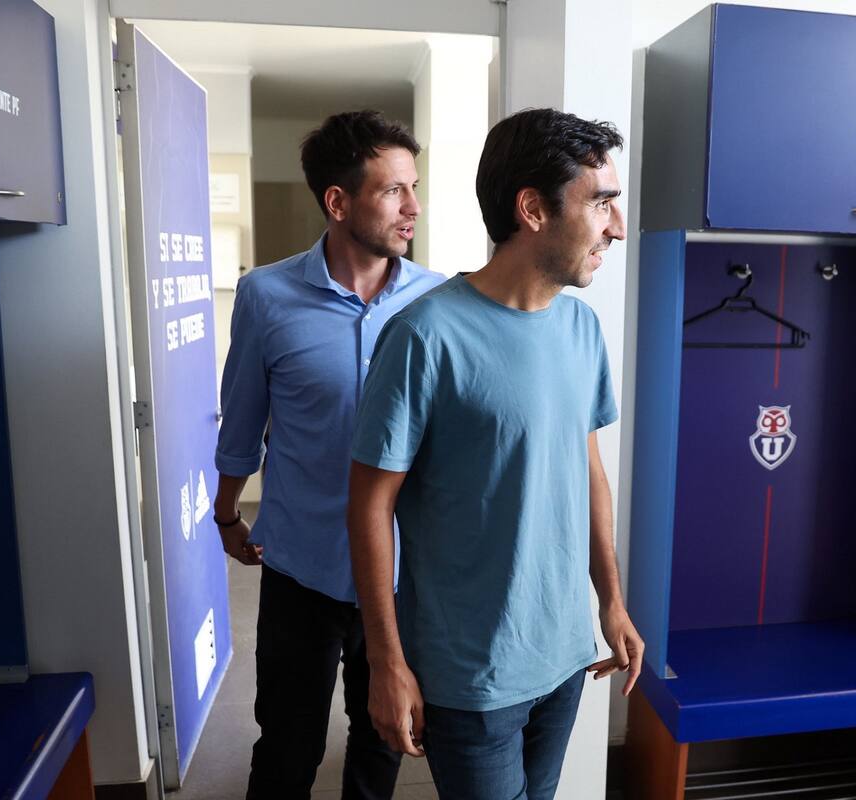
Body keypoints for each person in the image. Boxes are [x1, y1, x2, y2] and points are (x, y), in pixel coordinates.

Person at [346, 108, 644, 800]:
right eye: (601, 202)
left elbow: (587, 470)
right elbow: (368, 505)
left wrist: (612, 601)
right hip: (471, 673)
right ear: (533, 209)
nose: (617, 226)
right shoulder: (425, 336)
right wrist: (386, 662)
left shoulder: (580, 327)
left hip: (565, 654)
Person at [213, 109, 444, 800]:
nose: (414, 206)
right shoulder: (266, 295)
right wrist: (227, 514)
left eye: (415, 186)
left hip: (404, 575)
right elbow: (242, 423)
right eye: (393, 190)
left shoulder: (438, 302)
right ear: (337, 201)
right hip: (301, 567)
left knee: (381, 744)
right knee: (288, 743)